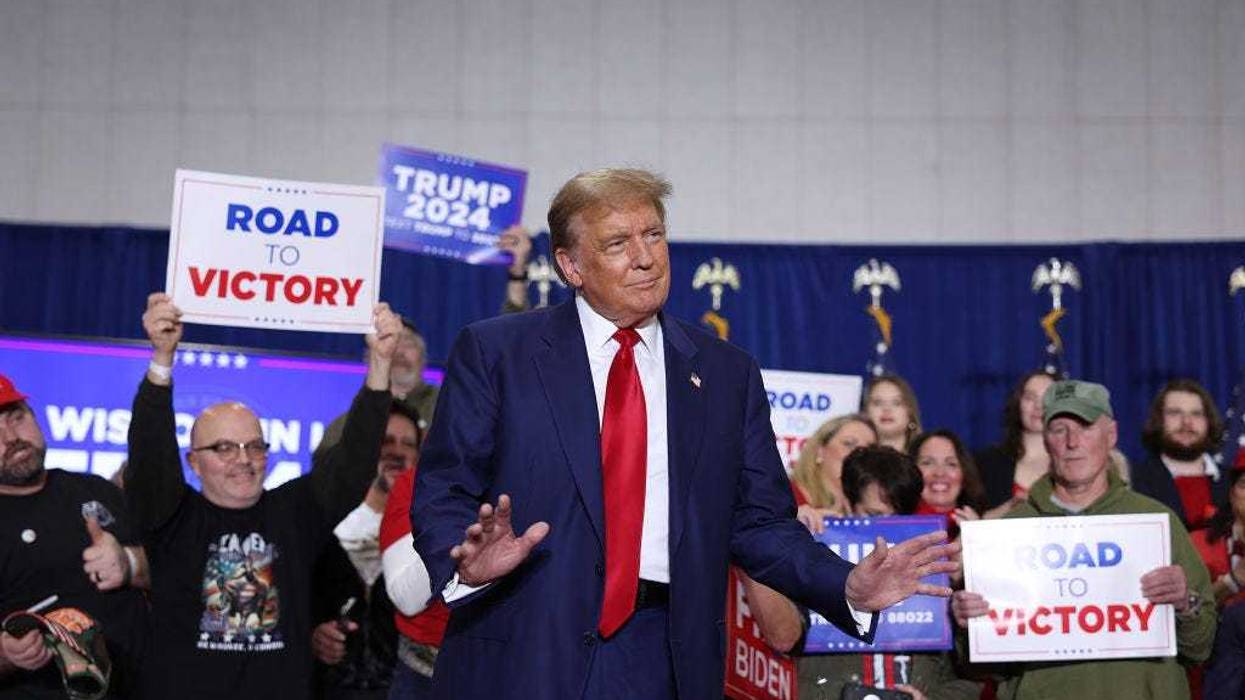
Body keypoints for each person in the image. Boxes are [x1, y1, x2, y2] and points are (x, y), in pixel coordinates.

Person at [410, 168, 959, 699]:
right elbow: (442, 489)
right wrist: (465, 561)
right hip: (522, 646)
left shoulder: (725, 374)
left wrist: (844, 585)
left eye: (654, 235)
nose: (646, 257)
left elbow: (762, 522)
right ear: (570, 265)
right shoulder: (498, 352)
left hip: (664, 658)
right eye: (618, 243)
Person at [125, 293, 401, 699]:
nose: (243, 459)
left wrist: (380, 364)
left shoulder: (296, 513)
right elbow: (150, 454)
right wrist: (162, 359)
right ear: (194, 462)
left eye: (254, 446)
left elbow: (354, 461)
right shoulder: (171, 517)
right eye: (224, 448)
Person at [952, 380, 1217, 699]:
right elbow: (982, 668)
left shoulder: (1155, 524)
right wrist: (968, 627)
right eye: (1059, 429)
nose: (1072, 442)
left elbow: (1200, 647)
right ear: (1045, 440)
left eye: (1086, 426)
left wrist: (1185, 603)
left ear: (1111, 435)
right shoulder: (1011, 532)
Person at [749, 445, 982, 700]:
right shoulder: (814, 548)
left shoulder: (931, 567)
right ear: (848, 502)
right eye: (873, 515)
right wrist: (791, 532)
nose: (884, 530)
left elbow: (974, 678)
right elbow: (783, 637)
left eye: (897, 518)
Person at [0, 374, 149, 699]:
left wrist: (130, 563)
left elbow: (175, 572)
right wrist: (7, 655)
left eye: (17, 418)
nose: (11, 438)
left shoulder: (95, 490)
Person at [310, 402, 423, 699]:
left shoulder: (430, 532)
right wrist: (313, 635)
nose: (397, 452)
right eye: (386, 441)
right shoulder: (321, 524)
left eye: (408, 444)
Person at [379, 468, 445, 700]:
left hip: (513, 664)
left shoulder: (528, 481)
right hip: (425, 672)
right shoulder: (415, 484)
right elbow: (407, 598)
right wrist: (457, 522)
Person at [1131, 379, 1228, 530]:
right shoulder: (1134, 481)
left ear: (1209, 421)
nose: (1186, 422)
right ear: (1159, 420)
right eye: (1175, 413)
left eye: (1196, 414)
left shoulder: (1234, 482)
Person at [974, 370, 1058, 513]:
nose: (1038, 406)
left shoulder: (1075, 462)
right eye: (1030, 398)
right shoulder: (986, 463)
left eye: (1047, 399)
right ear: (1017, 403)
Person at [789, 414, 877, 530]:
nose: (860, 454)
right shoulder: (784, 495)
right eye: (849, 444)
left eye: (869, 449)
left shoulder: (875, 509)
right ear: (819, 451)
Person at [910, 430, 988, 531]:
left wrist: (974, 536)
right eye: (927, 463)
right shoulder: (894, 526)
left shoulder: (983, 529)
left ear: (964, 474)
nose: (939, 473)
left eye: (951, 464)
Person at [1190, 466, 1245, 608]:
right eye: (1244, 484)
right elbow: (1188, 609)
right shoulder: (1197, 544)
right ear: (1231, 494)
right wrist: (1233, 580)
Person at [863, 375, 922, 453]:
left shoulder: (924, 457)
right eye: (878, 402)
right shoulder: (853, 458)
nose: (886, 409)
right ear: (866, 411)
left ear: (910, 412)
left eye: (896, 403)